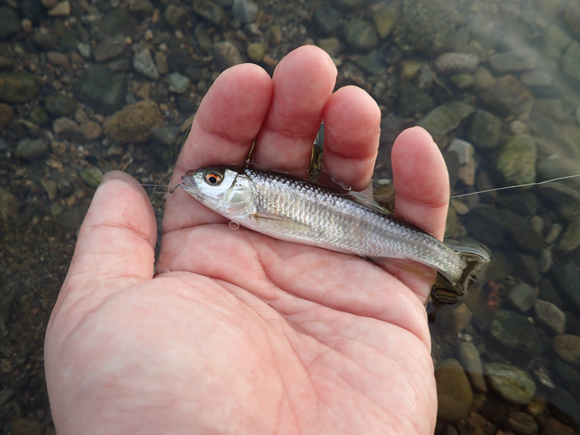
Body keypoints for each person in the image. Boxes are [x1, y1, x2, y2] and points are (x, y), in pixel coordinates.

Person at [45, 45, 447, 434]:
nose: (203, 185)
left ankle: (449, 264)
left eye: (214, 181)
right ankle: (448, 265)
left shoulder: (252, 202)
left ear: (237, 188)